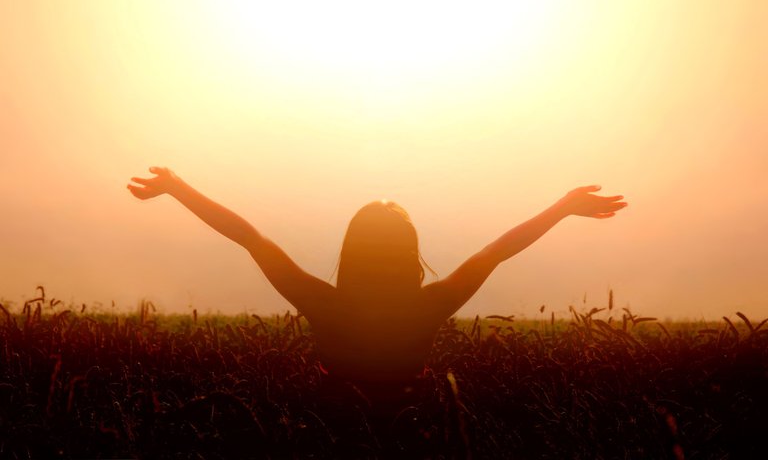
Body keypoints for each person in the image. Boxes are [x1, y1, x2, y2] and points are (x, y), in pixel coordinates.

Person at [127, 167, 627, 393]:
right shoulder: (431, 304)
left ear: (351, 251)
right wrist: (562, 209)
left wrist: (177, 188)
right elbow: (497, 251)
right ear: (410, 254)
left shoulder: (322, 302)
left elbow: (248, 237)